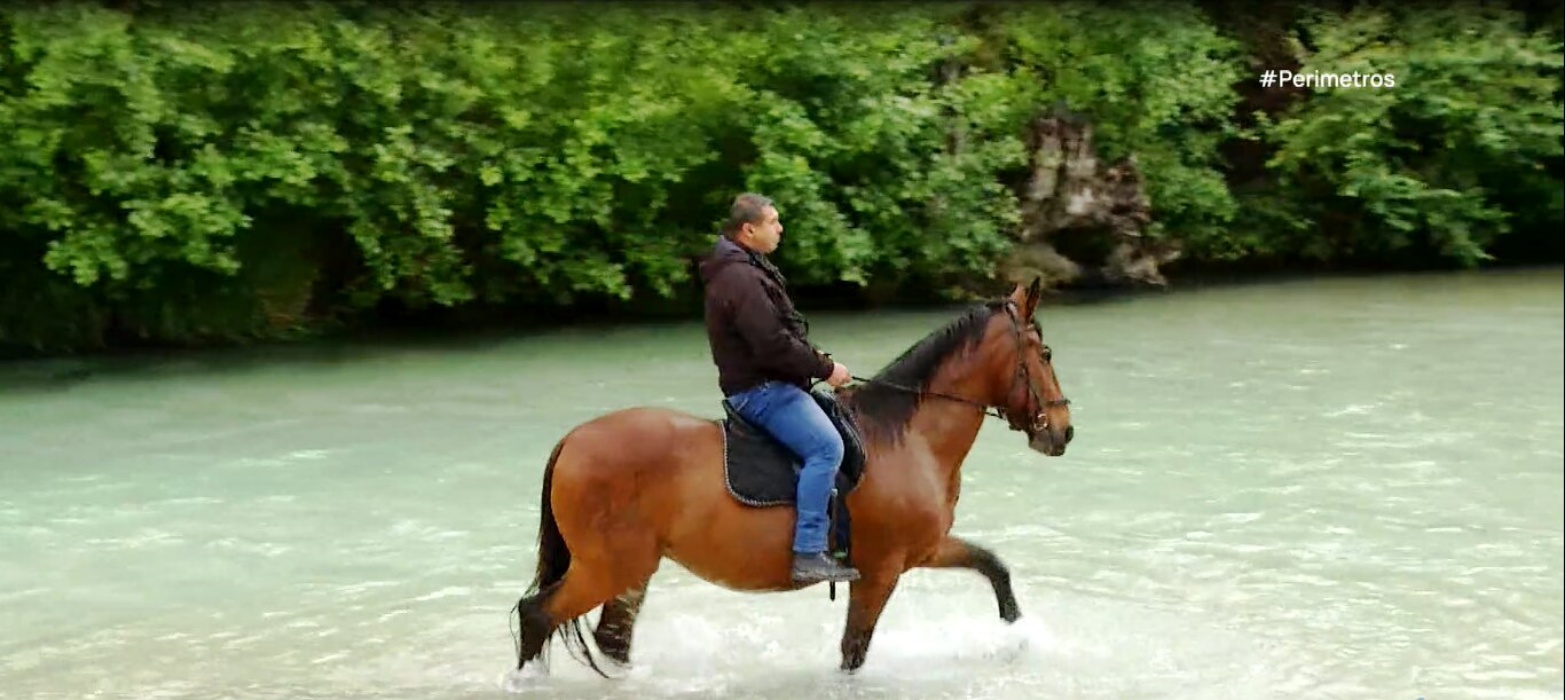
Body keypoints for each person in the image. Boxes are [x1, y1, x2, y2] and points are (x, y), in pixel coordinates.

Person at [698, 192, 862, 584]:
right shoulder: (740, 278)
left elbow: (778, 335)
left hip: (771, 380)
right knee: (827, 447)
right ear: (748, 229)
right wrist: (826, 369)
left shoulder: (745, 268)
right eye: (773, 222)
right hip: (762, 391)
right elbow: (771, 345)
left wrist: (812, 358)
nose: (780, 228)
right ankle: (808, 551)